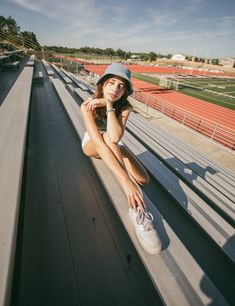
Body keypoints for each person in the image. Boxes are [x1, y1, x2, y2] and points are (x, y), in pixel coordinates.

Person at [80, 63, 161, 254]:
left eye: (121, 86)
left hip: (113, 142)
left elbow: (116, 137)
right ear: (102, 85)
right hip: (93, 143)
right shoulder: (87, 106)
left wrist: (108, 105)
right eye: (111, 83)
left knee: (143, 180)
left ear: (125, 91)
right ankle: (138, 212)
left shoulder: (125, 108)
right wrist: (126, 183)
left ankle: (132, 188)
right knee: (106, 139)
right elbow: (100, 143)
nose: (115, 89)